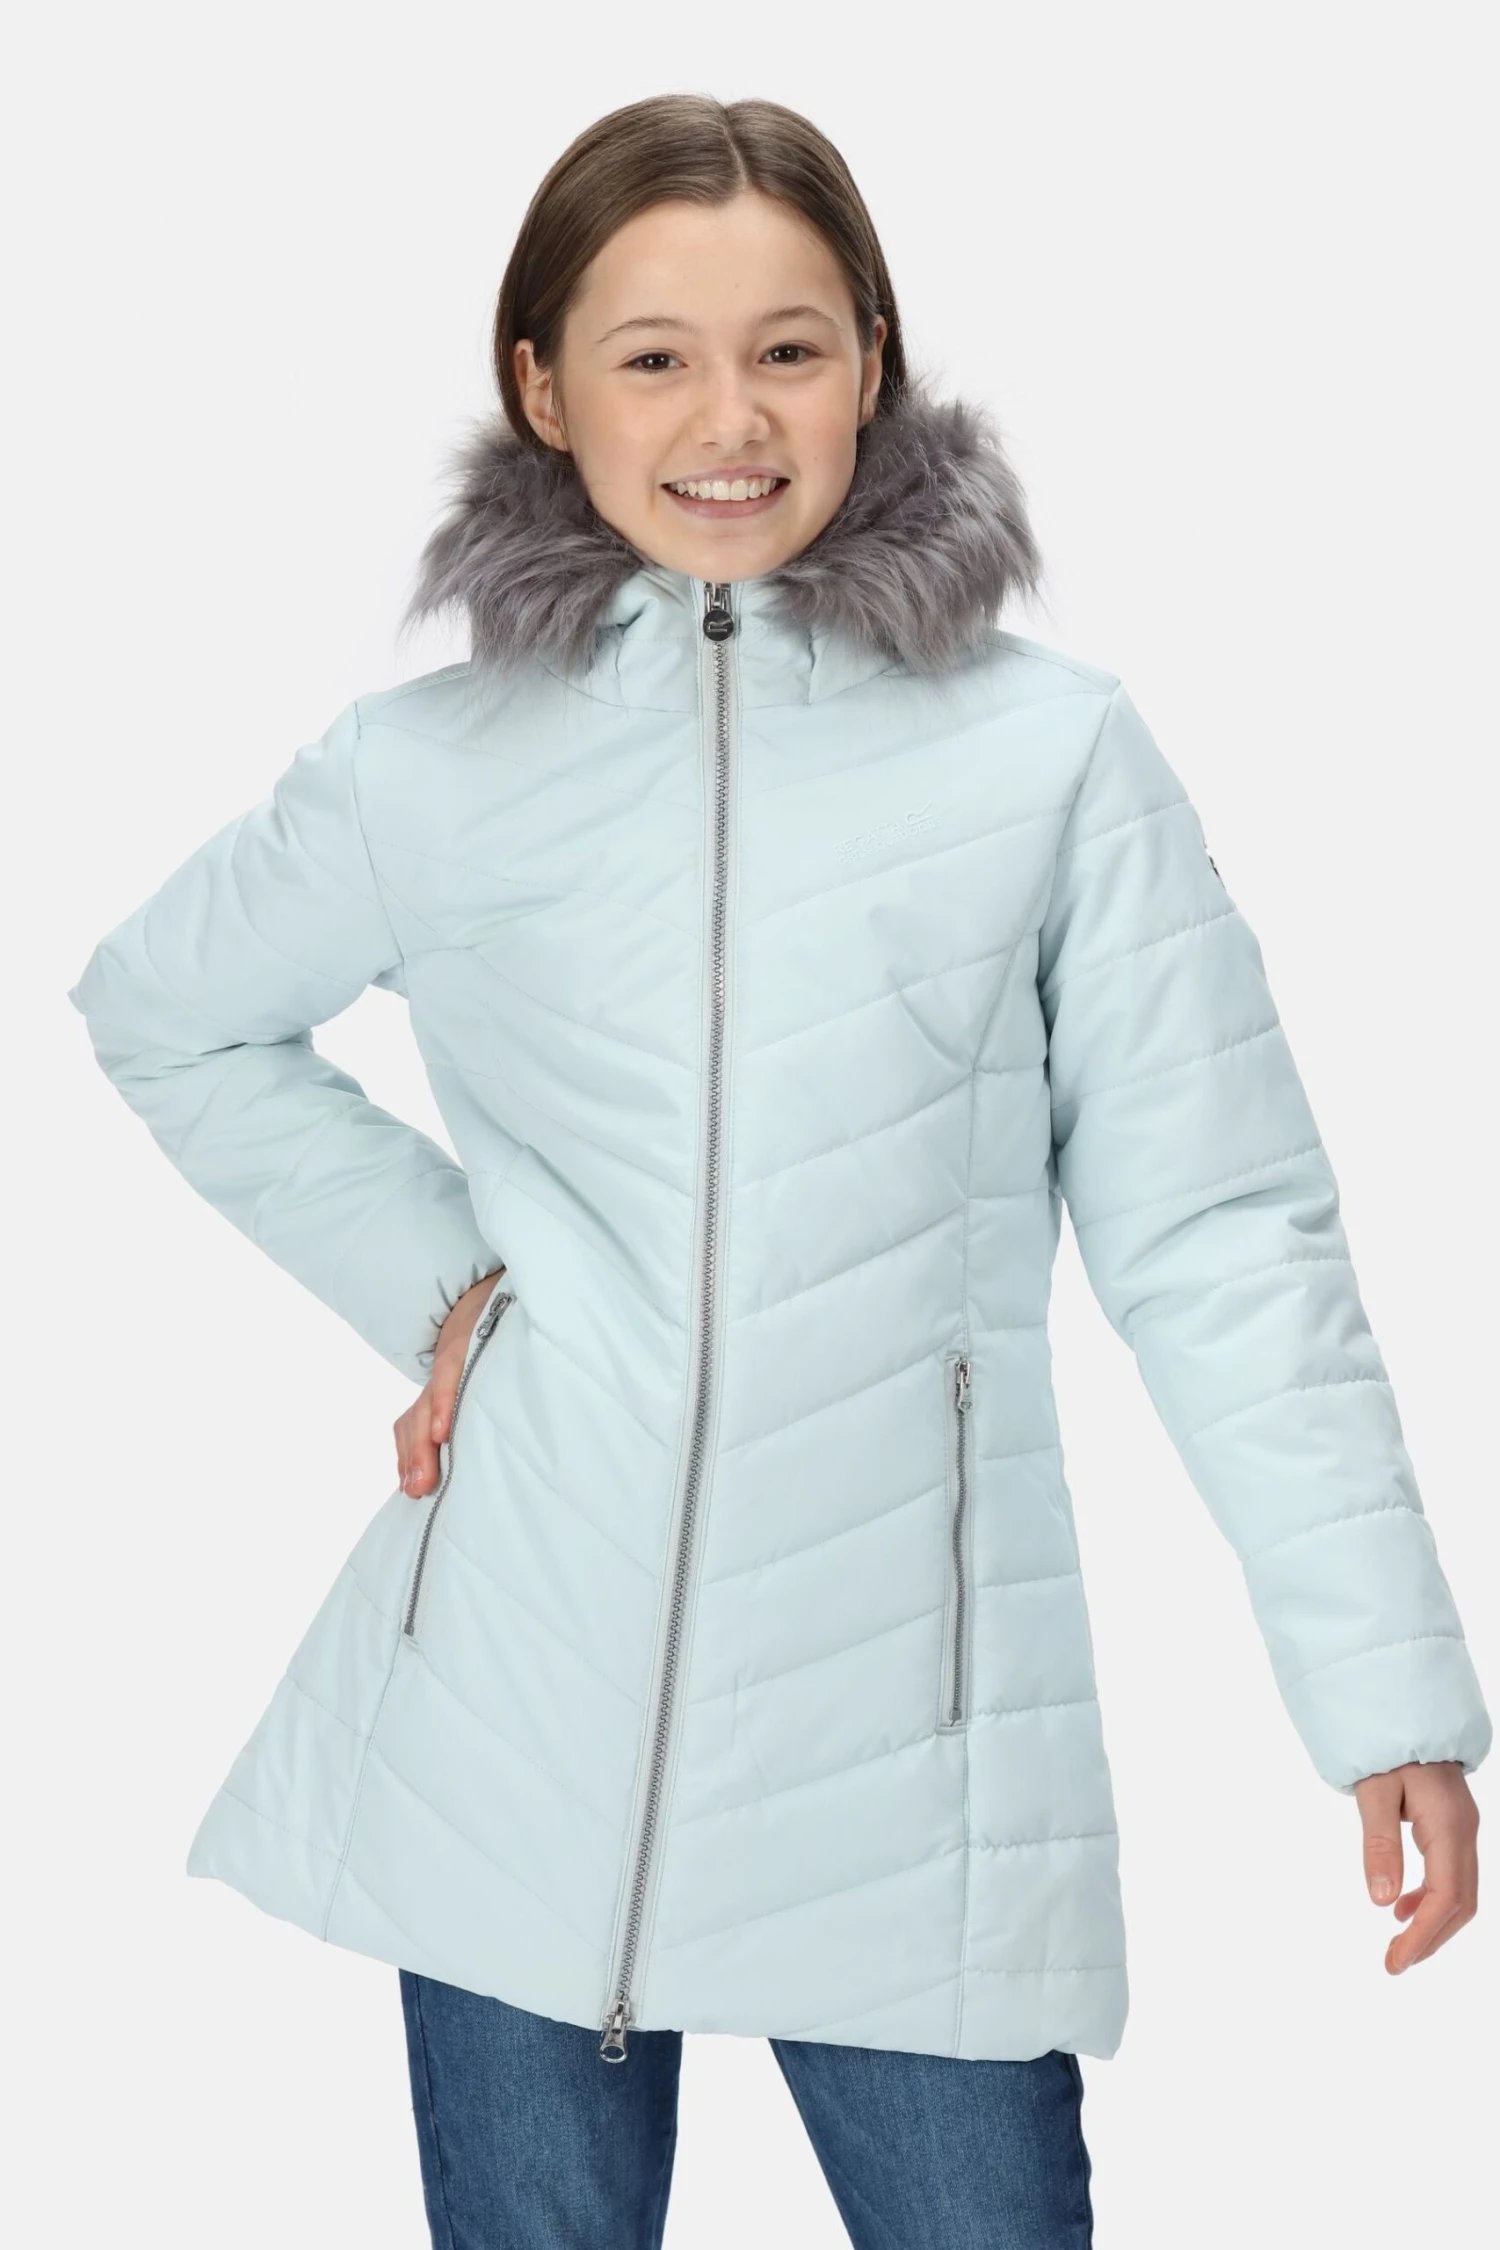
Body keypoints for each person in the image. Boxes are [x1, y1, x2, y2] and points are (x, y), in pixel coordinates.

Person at [67, 92, 1489, 2250]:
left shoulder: (1048, 755)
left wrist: (1381, 1690)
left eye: (791, 349)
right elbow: (167, 1009)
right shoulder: (424, 774)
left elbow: (1221, 1237)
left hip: (910, 1761)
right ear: (544, 388)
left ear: (875, 363)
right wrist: (456, 1290)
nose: (729, 419)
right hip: (519, 1746)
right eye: (654, 356)